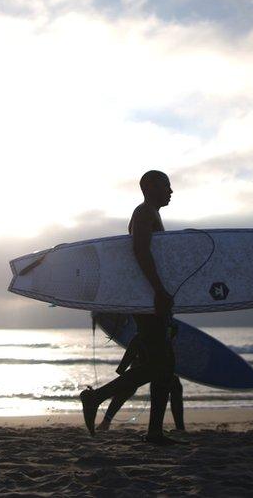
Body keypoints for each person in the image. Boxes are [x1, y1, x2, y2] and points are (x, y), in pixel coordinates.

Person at [80, 170, 181, 445]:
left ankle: (155, 432)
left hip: (151, 299)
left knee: (165, 365)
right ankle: (95, 398)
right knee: (158, 364)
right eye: (166, 185)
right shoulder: (144, 212)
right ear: (149, 187)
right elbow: (140, 250)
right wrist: (159, 291)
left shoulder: (151, 213)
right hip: (146, 300)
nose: (171, 191)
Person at [97, 324, 185, 432]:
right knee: (129, 388)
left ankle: (177, 428)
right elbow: (141, 331)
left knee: (172, 385)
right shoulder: (151, 313)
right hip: (146, 349)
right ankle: (103, 415)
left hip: (156, 351)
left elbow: (170, 330)